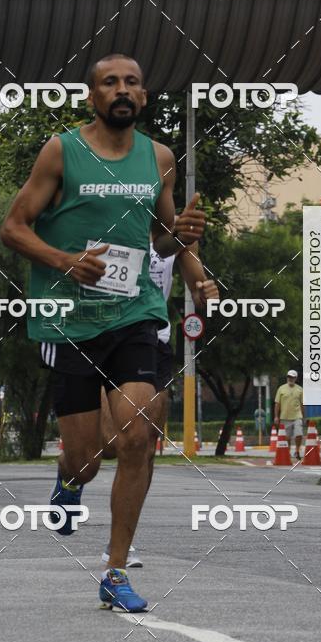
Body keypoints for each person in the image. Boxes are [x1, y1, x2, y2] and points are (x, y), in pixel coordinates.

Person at [1, 54, 206, 611]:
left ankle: (115, 571)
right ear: (91, 96)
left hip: (133, 313)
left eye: (132, 82)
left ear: (143, 96)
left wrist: (184, 241)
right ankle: (69, 479)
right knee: (87, 459)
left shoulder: (159, 157)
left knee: (138, 435)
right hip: (69, 320)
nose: (122, 90)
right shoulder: (61, 151)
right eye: (110, 82)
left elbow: (161, 237)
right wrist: (64, 261)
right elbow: (13, 228)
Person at [100, 229, 219, 568]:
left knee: (143, 447)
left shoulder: (178, 230)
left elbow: (197, 283)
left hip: (154, 338)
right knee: (109, 445)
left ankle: (120, 544)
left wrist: (205, 291)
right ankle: (71, 471)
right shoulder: (111, 214)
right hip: (104, 332)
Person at [274, 369, 304, 461]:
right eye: (289, 377)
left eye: (292, 377)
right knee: (287, 438)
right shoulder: (281, 389)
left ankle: (297, 451)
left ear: (295, 378)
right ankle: (288, 453)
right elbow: (277, 404)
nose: (290, 379)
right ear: (287, 377)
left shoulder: (300, 389)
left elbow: (302, 404)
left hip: (297, 416)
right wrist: (276, 416)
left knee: (299, 434)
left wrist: (303, 416)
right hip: (285, 417)